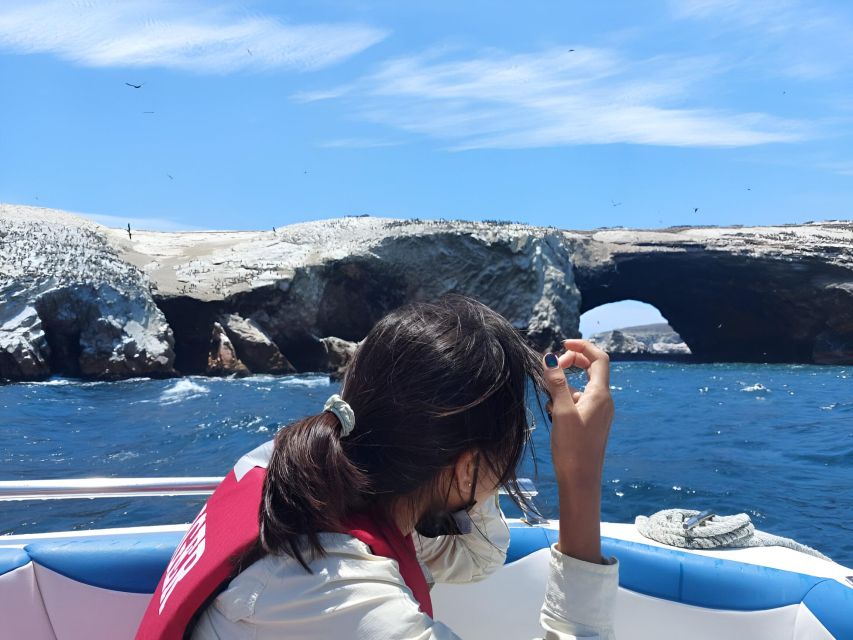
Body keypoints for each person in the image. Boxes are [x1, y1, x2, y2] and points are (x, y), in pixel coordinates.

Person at [188, 295, 618, 639]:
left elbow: (477, 559)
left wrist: (468, 462)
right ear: (467, 469)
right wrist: (580, 478)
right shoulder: (347, 607)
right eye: (512, 447)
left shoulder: (292, 468)